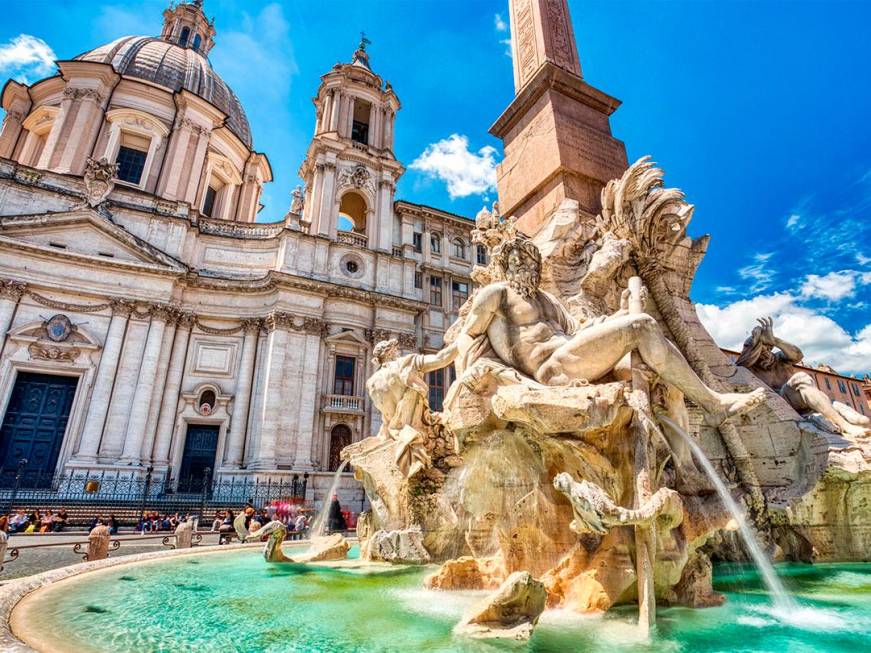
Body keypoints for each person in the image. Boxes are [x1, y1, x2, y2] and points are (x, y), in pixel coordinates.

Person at [413, 236, 765, 426]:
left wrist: (626, 308)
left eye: (528, 259)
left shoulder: (548, 300)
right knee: (640, 326)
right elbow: (467, 336)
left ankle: (687, 462)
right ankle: (714, 402)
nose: (522, 264)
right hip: (552, 369)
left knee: (646, 348)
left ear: (537, 264)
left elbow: (580, 331)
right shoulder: (497, 294)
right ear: (504, 266)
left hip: (573, 357)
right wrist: (464, 371)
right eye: (514, 260)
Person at [737, 317, 870, 438]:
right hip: (782, 405)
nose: (766, 352)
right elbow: (741, 363)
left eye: (768, 347)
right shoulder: (748, 369)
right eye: (761, 349)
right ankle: (846, 426)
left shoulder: (780, 359)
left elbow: (798, 356)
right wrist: (756, 341)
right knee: (800, 377)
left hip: (807, 401)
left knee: (863, 421)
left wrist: (775, 340)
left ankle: (833, 415)